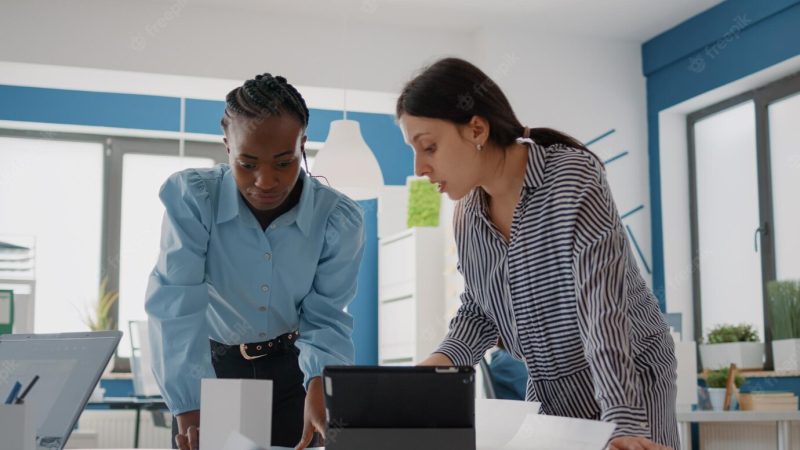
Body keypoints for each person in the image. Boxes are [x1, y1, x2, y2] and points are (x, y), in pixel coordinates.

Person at [397, 58, 679, 450]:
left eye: (429, 146)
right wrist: (429, 369)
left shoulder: (572, 179)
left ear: (476, 129)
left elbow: (602, 308)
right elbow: (479, 314)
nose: (420, 167)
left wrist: (624, 421)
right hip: (549, 388)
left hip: (630, 377)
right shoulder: (468, 217)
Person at [145, 73, 365, 450]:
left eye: (284, 162)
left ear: (303, 146)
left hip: (295, 374)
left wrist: (320, 383)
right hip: (212, 374)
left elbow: (326, 315)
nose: (266, 181)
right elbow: (177, 307)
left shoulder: (337, 219)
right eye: (248, 164)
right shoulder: (195, 202)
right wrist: (190, 405)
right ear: (227, 146)